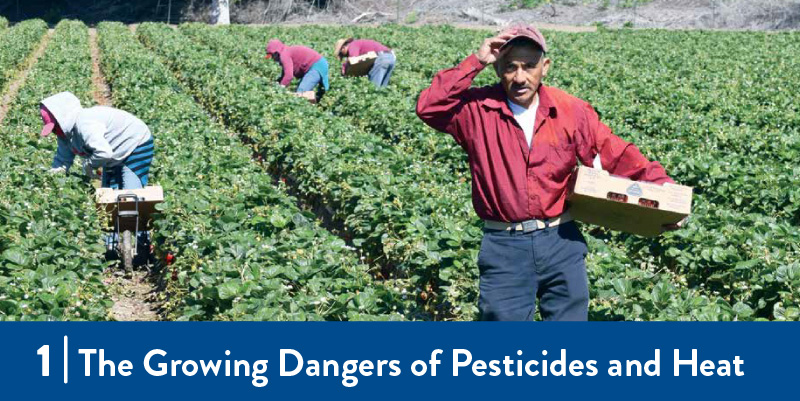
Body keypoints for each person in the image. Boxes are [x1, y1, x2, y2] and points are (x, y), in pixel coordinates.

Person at [416, 25, 683, 322]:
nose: (520, 77)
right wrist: (476, 61)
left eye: (529, 66)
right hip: (504, 245)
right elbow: (429, 107)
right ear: (497, 69)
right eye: (509, 67)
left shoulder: (570, 110)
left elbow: (617, 154)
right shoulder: (476, 110)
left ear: (545, 67)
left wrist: (666, 194)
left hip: (561, 240)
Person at [41, 91, 154, 257]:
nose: (54, 131)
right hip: (111, 153)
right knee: (108, 198)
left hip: (134, 144)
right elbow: (62, 161)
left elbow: (103, 153)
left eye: (55, 126)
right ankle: (112, 247)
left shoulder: (84, 124)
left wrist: (88, 165)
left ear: (62, 118)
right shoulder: (64, 134)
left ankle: (140, 246)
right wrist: (50, 180)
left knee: (131, 195)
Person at [265, 39, 330, 99]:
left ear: (276, 53)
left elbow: (288, 76)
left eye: (272, 56)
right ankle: (314, 104)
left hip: (316, 66)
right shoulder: (286, 52)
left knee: (301, 92)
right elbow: (284, 74)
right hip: (318, 64)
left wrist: (281, 88)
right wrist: (278, 83)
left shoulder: (284, 55)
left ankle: (310, 106)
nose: (273, 59)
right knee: (318, 95)